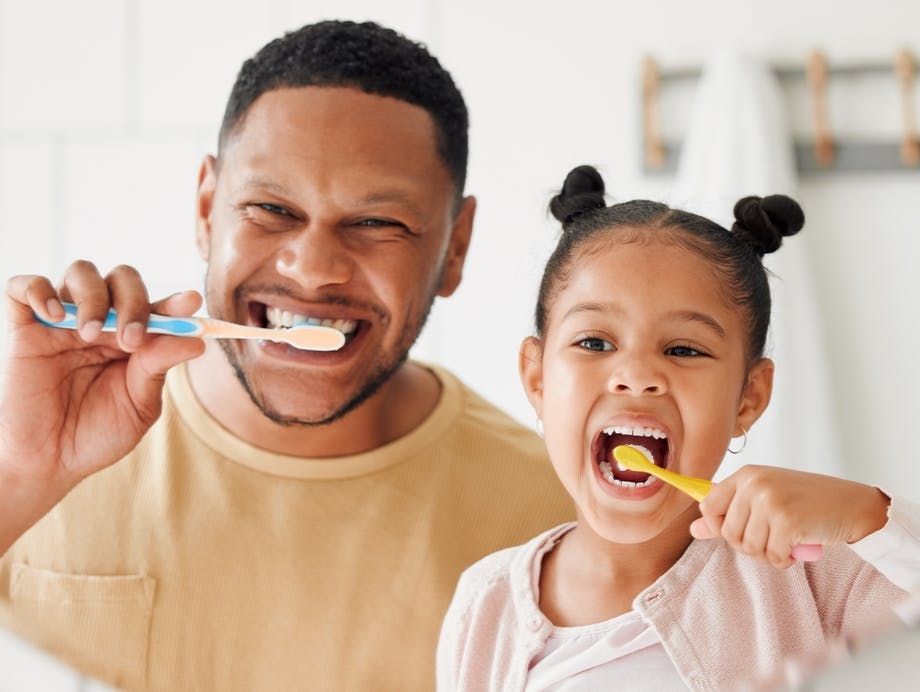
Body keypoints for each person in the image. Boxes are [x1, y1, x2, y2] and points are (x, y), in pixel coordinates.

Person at [0, 20, 574, 692]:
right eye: (271, 208)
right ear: (207, 208)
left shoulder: (555, 524)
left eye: (376, 222)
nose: (314, 270)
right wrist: (20, 475)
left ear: (455, 247)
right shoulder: (33, 461)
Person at [436, 165, 920, 691]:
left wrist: (865, 515)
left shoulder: (818, 578)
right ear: (537, 378)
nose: (638, 377)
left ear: (748, 398)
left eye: (684, 349)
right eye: (595, 343)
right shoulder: (484, 605)